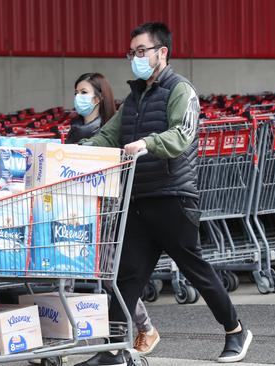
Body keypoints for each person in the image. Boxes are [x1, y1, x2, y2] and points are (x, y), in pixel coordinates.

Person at [74, 22, 253, 366]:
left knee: (195, 269)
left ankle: (236, 331)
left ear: (162, 53)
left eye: (142, 51)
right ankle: (111, 349)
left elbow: (182, 134)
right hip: (139, 199)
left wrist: (147, 143)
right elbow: (108, 136)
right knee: (126, 276)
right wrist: (74, 152)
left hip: (173, 197)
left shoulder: (181, 90)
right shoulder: (135, 98)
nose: (136, 58)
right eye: (132, 53)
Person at [68, 72, 161, 355]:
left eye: (84, 92)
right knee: (65, 273)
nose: (79, 98)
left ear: (97, 97)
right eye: (77, 92)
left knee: (110, 277)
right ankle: (62, 338)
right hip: (75, 210)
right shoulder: (75, 130)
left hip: (106, 211)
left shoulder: (108, 130)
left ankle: (145, 327)